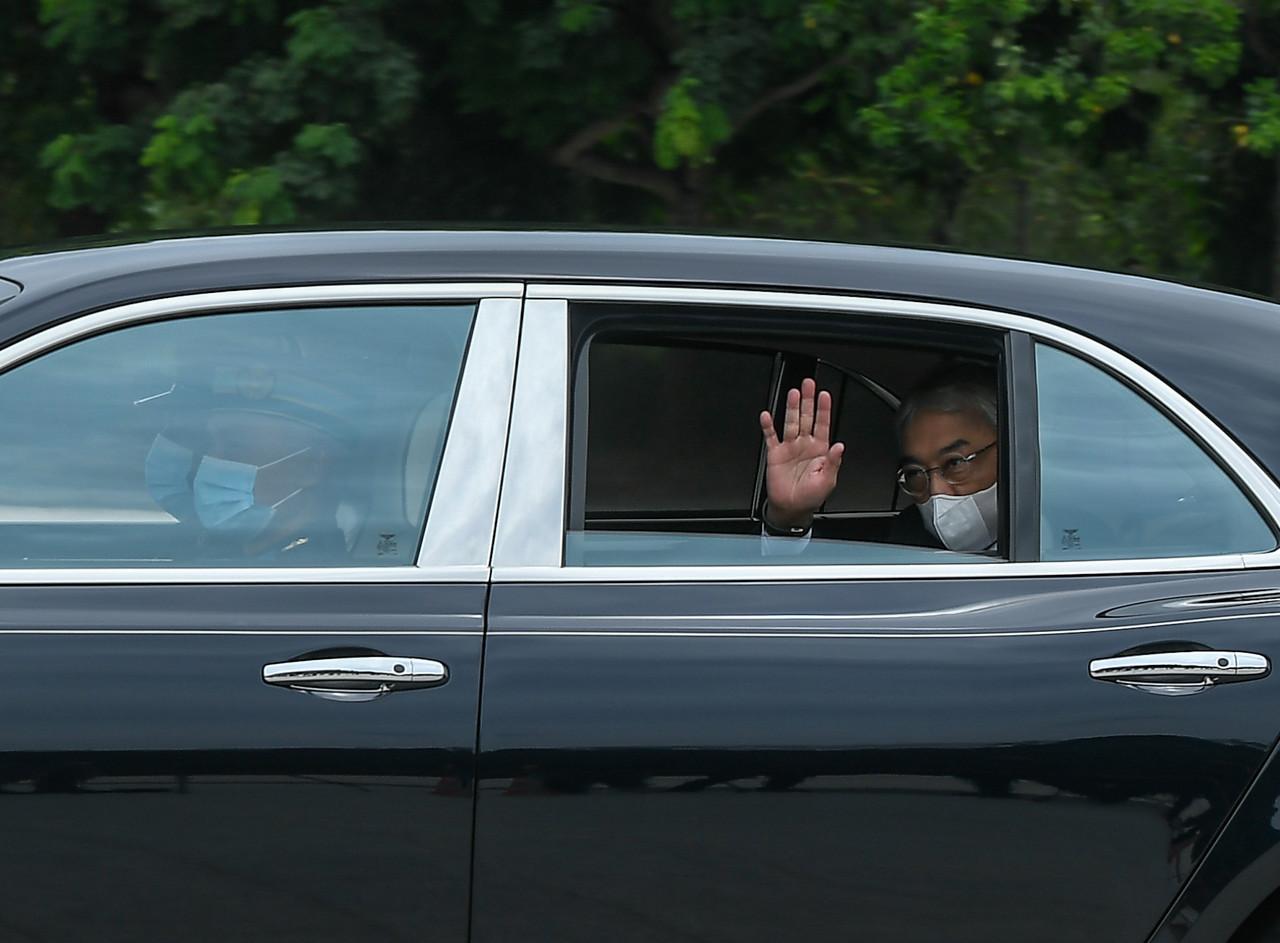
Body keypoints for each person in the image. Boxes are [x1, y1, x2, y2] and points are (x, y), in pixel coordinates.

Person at [759, 367, 999, 552]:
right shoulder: (907, 544)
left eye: (955, 463)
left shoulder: (1038, 544)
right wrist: (788, 518)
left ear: (1009, 448)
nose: (936, 492)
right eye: (916, 473)